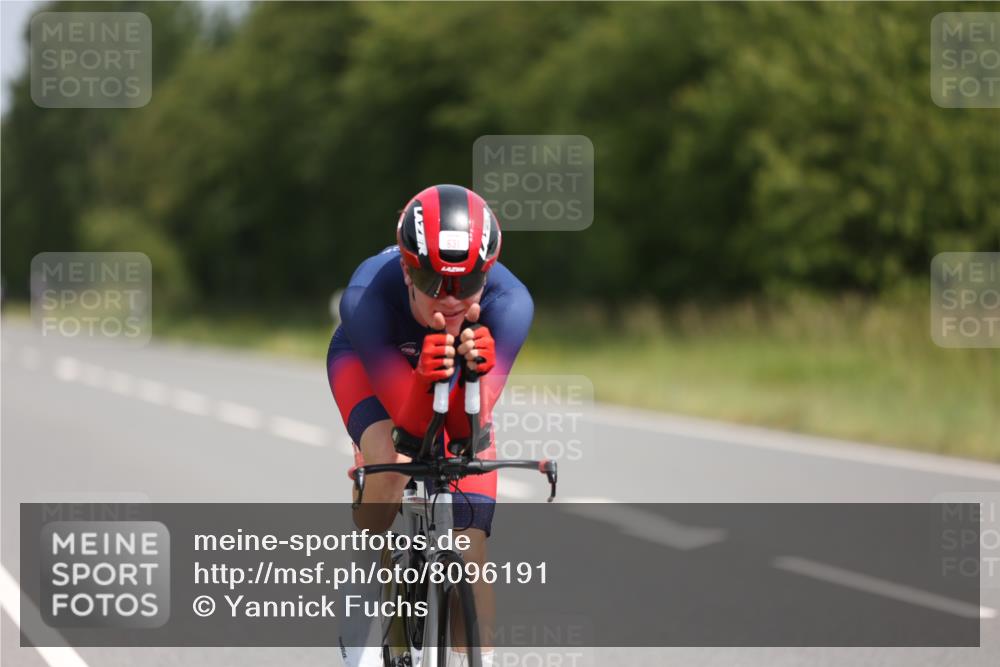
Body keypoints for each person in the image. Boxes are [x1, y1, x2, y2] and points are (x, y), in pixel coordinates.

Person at [327, 184, 534, 667]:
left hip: (453, 378)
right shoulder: (365, 297)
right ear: (406, 269)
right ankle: (362, 592)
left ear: (487, 274)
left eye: (465, 285)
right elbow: (407, 422)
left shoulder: (511, 305)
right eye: (432, 282)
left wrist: (476, 372)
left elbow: (467, 430)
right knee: (393, 464)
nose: (451, 299)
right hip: (374, 363)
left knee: (470, 540)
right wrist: (423, 375)